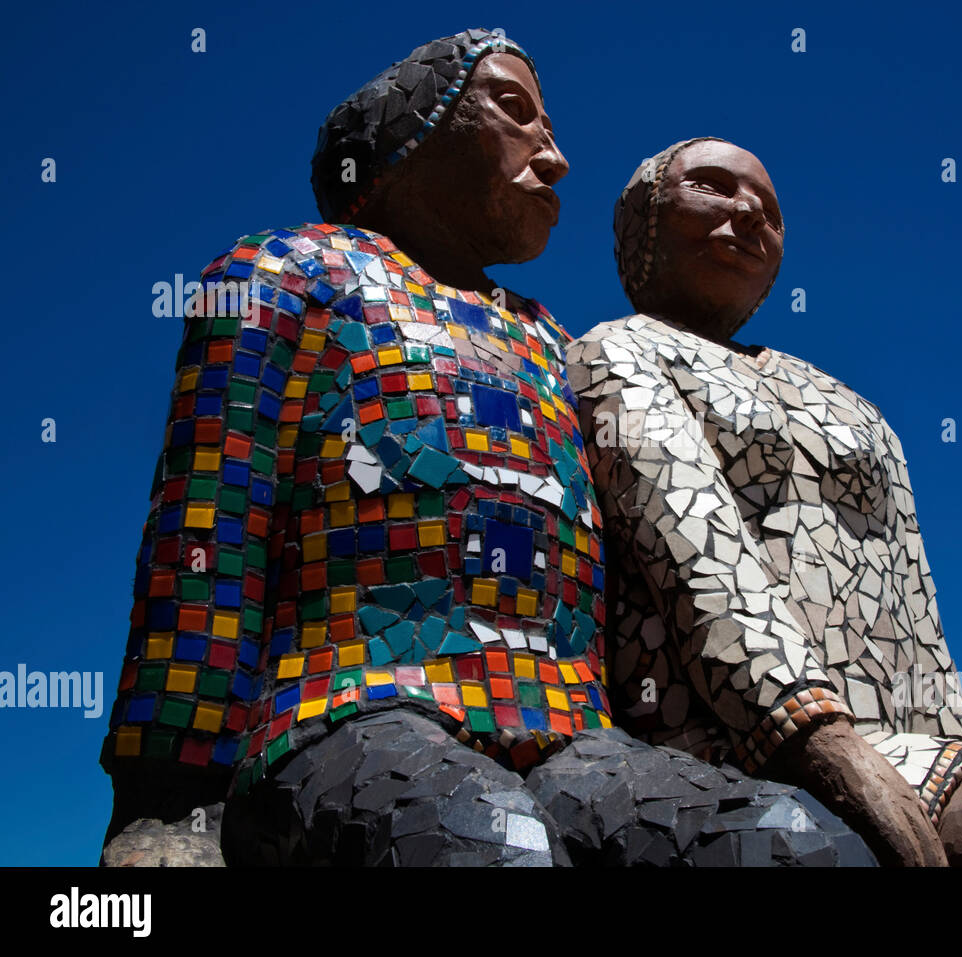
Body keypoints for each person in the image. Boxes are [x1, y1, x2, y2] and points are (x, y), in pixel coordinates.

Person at [100, 35, 870, 868]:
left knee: (794, 844)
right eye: (514, 110)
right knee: (485, 840)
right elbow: (208, 519)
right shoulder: (286, 275)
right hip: (348, 710)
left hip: (575, 733)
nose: (558, 155)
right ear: (410, 130)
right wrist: (167, 800)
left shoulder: (552, 342)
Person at [568, 137, 962, 866]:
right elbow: (694, 545)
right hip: (720, 739)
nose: (746, 213)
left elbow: (916, 605)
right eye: (712, 187)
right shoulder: (618, 351)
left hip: (907, 750)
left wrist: (959, 755)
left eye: (767, 209)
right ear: (643, 220)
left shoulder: (858, 409)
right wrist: (815, 737)